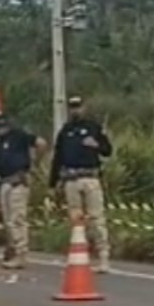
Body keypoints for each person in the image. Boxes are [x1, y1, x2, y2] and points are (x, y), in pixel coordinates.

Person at [49, 96, 113, 273]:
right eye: (72, 107)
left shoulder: (94, 128)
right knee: (76, 220)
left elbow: (108, 150)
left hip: (90, 177)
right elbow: (58, 158)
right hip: (71, 179)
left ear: (84, 108)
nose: (75, 110)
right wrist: (53, 183)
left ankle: (103, 257)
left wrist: (97, 145)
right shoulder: (65, 131)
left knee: (96, 218)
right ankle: (81, 254)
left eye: (78, 107)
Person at [0, 115, 47, 269]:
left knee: (17, 219)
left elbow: (40, 143)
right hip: (5, 181)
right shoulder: (0, 143)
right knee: (9, 221)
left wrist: (36, 163)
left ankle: (21, 253)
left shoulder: (19, 136)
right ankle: (13, 249)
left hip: (18, 181)